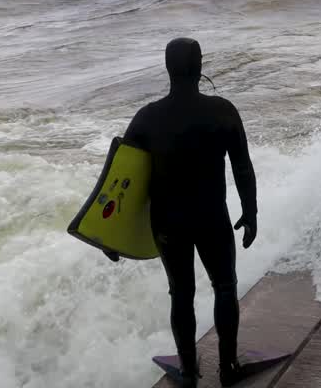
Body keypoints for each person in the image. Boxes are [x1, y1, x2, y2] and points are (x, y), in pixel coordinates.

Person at [118, 37, 258, 388]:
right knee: (225, 287)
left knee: (181, 292)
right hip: (212, 216)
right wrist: (250, 211)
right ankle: (228, 367)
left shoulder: (147, 118)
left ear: (168, 69)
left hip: (169, 223)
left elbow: (121, 181)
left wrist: (112, 235)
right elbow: (243, 167)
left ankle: (189, 371)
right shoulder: (223, 110)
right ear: (200, 66)